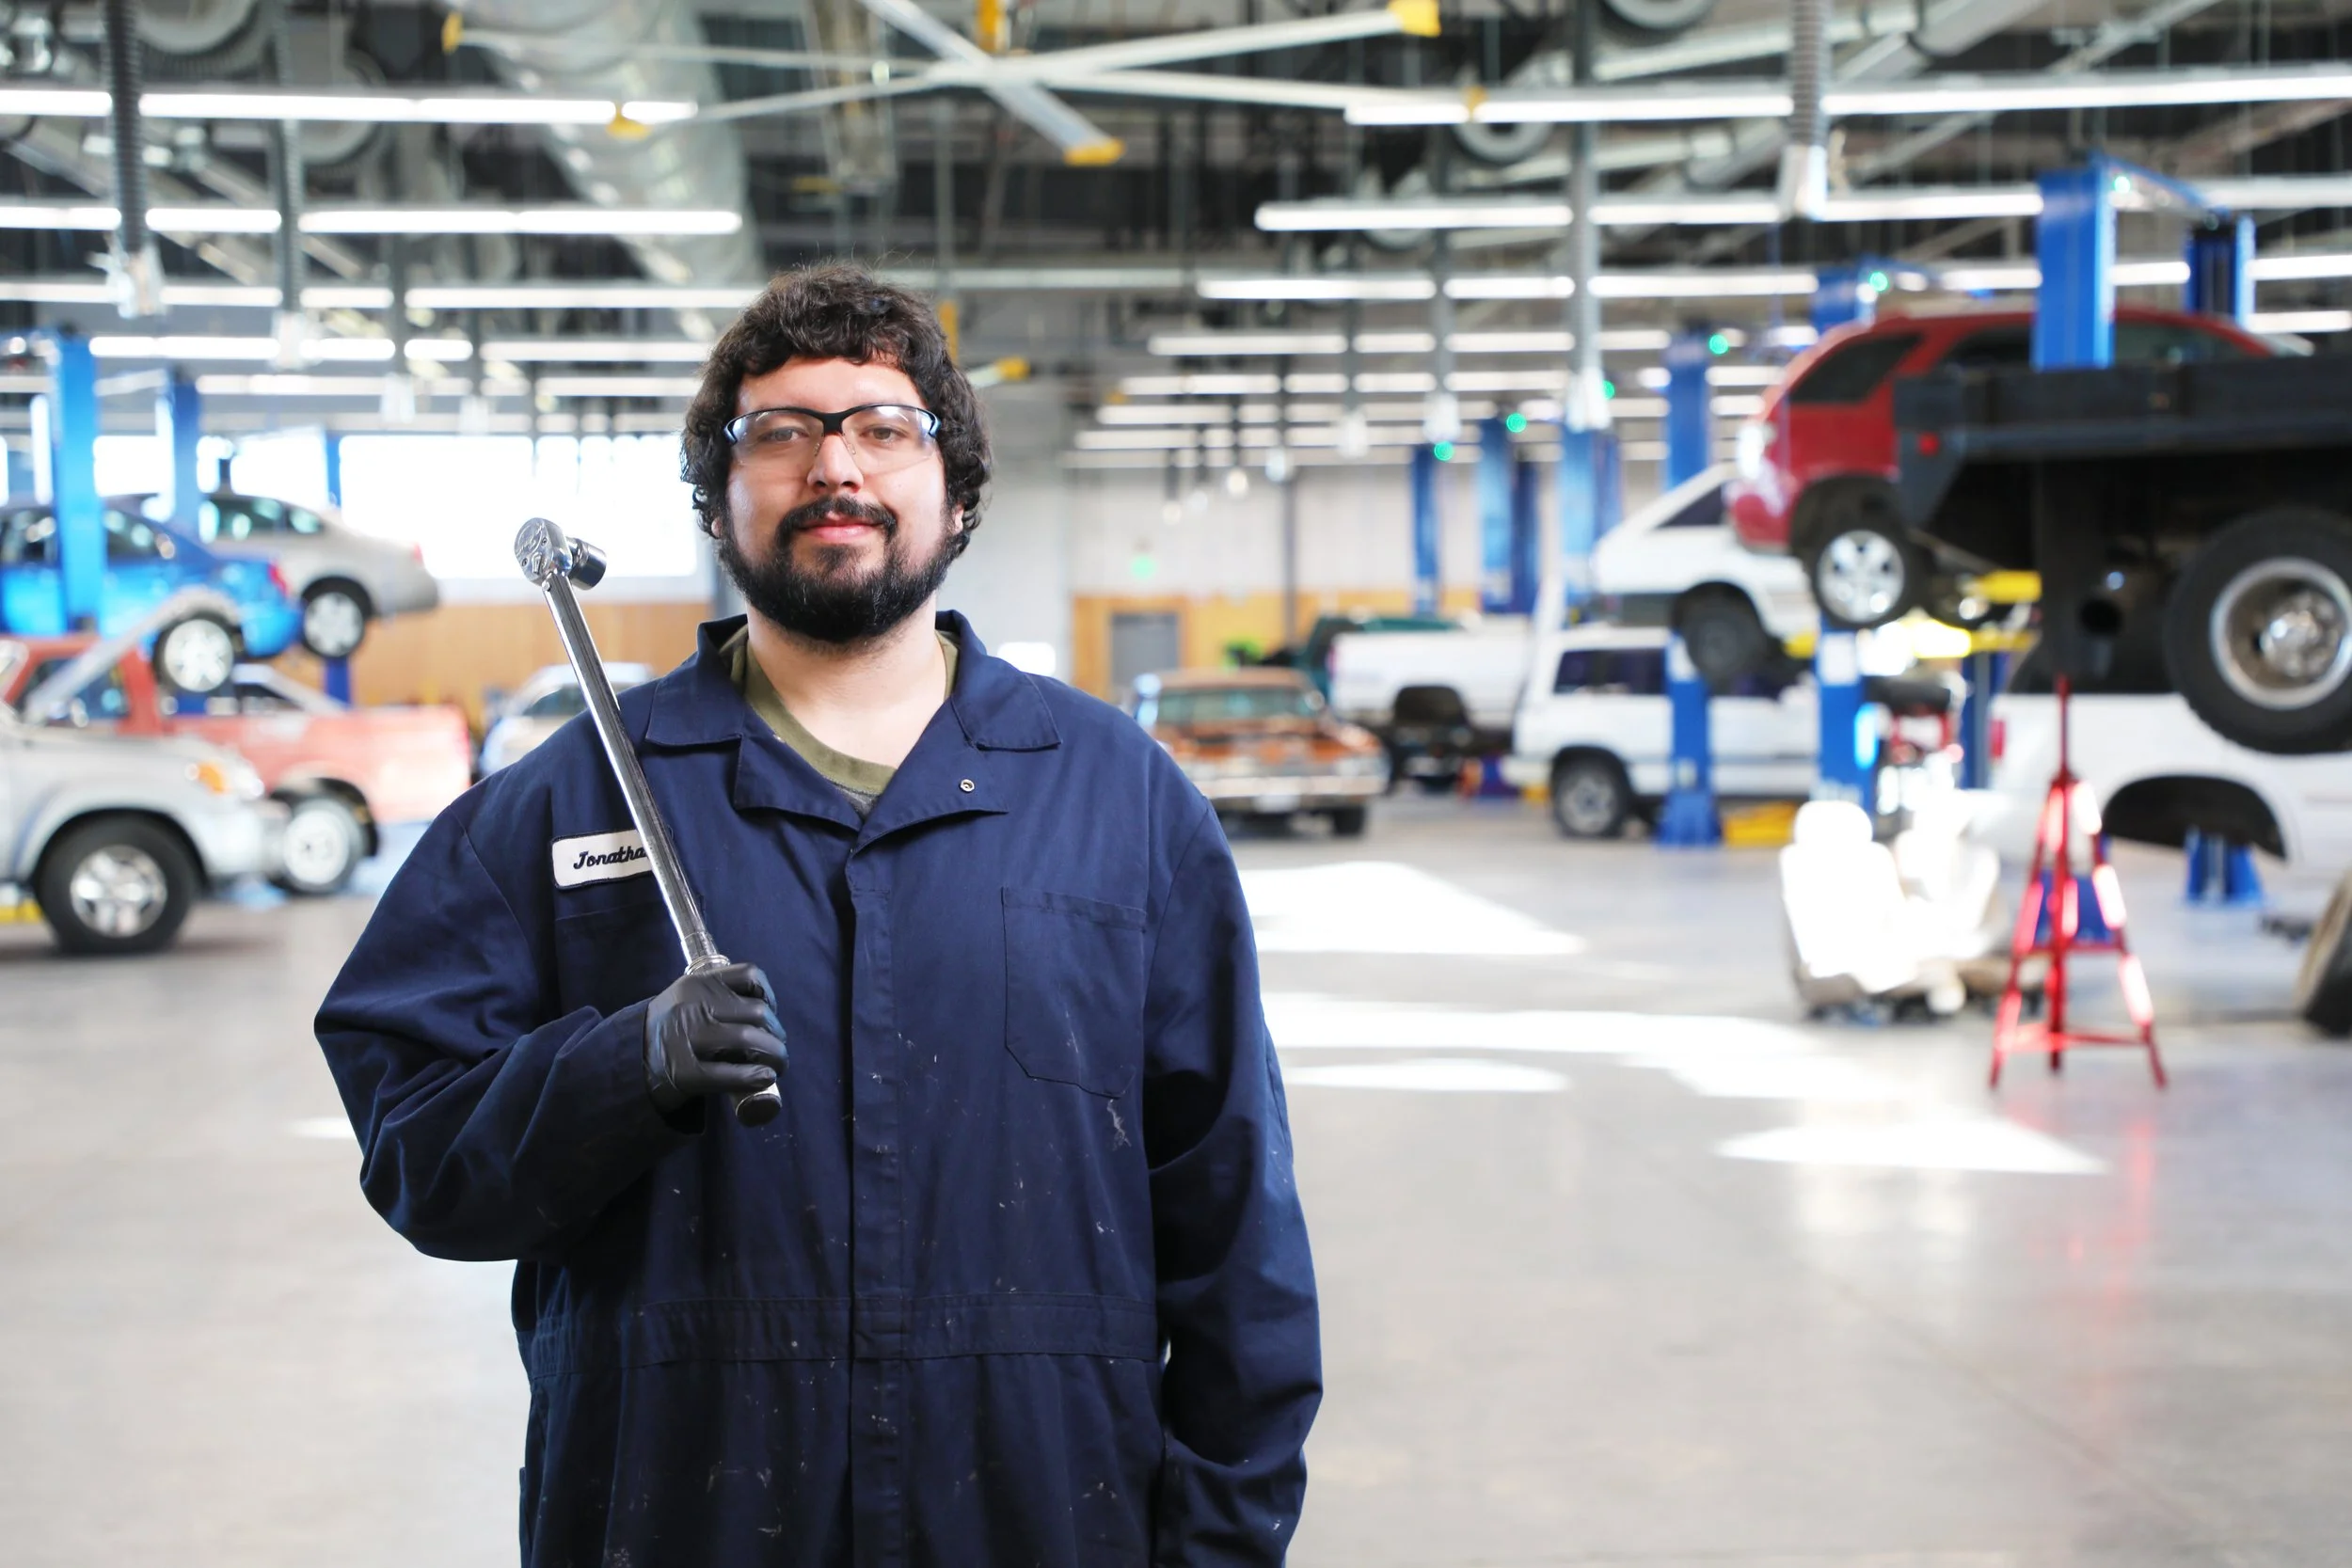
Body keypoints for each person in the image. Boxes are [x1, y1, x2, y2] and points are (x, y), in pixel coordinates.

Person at [314, 263, 1320, 1567]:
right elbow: (416, 1146)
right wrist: (627, 1066)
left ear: (956, 494)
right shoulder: (569, 800)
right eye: (780, 433)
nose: (832, 467)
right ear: (715, 502)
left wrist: (1222, 1544)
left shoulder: (1120, 801)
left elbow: (1234, 1217)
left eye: (883, 429)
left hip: (1040, 1513)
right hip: (682, 1518)